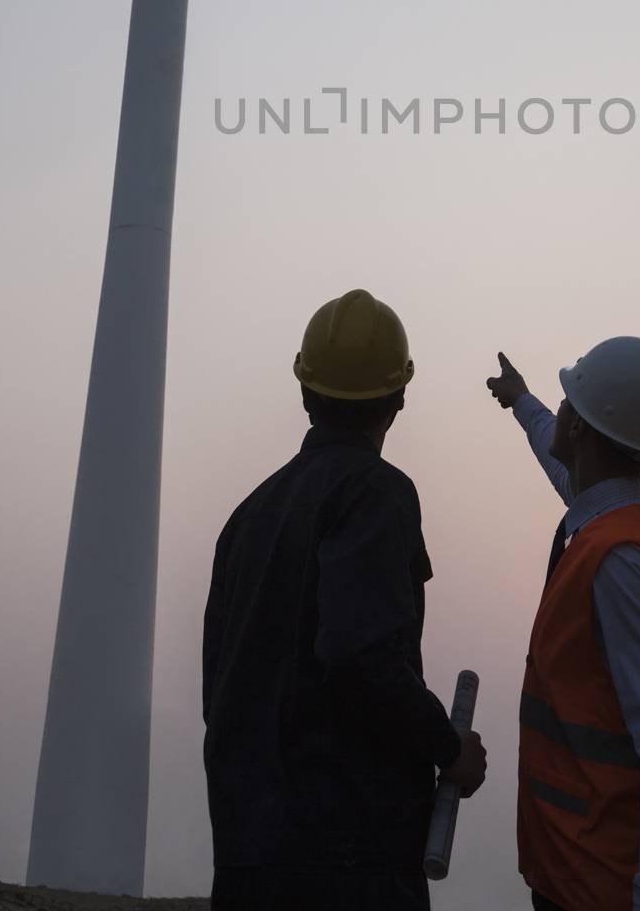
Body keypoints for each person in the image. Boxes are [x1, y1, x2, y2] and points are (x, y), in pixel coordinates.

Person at [203, 289, 486, 911]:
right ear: (399, 399)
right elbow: (361, 656)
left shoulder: (249, 517)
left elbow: (217, 692)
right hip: (348, 857)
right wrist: (448, 747)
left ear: (305, 390)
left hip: (248, 854)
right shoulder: (376, 494)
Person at [487, 341, 640, 911]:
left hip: (602, 887)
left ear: (585, 432)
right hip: (576, 874)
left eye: (570, 402)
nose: (560, 411)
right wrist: (522, 402)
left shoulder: (620, 562)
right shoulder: (619, 519)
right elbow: (564, 465)